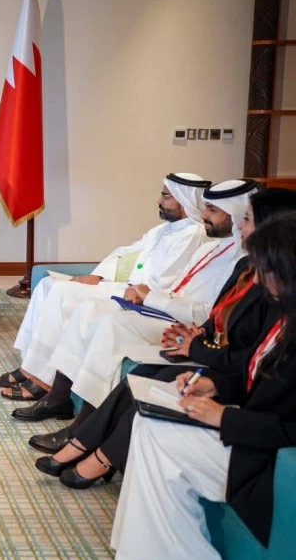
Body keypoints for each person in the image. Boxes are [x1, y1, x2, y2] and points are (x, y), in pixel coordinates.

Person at [31, 189, 296, 479]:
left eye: (245, 218)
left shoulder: (274, 288)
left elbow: (248, 355)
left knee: (141, 363)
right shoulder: (244, 266)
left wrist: (195, 346)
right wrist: (196, 335)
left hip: (222, 367)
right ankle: (80, 440)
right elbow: (216, 315)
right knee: (143, 371)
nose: (238, 224)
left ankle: (97, 458)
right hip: (201, 342)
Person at [111, 213, 296, 560]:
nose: (258, 279)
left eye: (264, 269)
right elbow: (256, 375)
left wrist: (222, 417)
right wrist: (213, 385)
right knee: (148, 423)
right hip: (250, 435)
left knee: (161, 439)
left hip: (269, 459)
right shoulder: (284, 316)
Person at [12, 179, 258, 423]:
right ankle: (57, 395)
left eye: (212, 210)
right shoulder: (210, 247)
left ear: (235, 214)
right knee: (87, 309)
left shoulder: (241, 261)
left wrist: (149, 296)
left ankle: (85, 422)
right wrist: (140, 295)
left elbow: (209, 313)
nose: (203, 214)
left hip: (183, 322)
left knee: (109, 323)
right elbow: (161, 277)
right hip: (158, 306)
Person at [0, 173, 210, 398]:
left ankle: (42, 380)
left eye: (165, 197)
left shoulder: (193, 234)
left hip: (139, 296)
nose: (159, 201)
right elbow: (124, 252)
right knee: (47, 285)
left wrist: (131, 289)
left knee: (61, 292)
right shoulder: (163, 230)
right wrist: (99, 276)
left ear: (184, 201)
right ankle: (29, 368)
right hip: (121, 286)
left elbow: (162, 280)